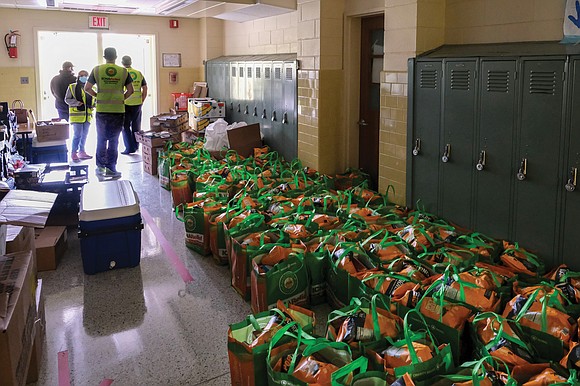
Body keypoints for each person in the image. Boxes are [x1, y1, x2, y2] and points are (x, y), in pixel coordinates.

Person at [84, 47, 133, 178]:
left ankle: (100, 168)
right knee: (114, 140)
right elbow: (131, 90)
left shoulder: (97, 70)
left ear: (104, 57)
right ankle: (111, 168)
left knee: (101, 139)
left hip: (102, 111)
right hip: (118, 111)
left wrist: (97, 96)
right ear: (116, 57)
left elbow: (87, 88)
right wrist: (121, 98)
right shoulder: (123, 71)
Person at [120, 55, 148, 155]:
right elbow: (145, 87)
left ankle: (129, 148)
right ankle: (136, 146)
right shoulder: (138, 73)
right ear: (131, 62)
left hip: (125, 103)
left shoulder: (122, 73)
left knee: (125, 126)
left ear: (122, 63)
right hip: (137, 103)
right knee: (136, 126)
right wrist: (142, 99)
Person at [65, 70, 94, 161]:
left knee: (84, 135)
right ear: (78, 76)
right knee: (77, 135)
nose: (84, 77)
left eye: (85, 75)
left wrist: (93, 105)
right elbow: (67, 99)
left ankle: (82, 151)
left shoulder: (92, 88)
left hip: (87, 115)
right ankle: (74, 152)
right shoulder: (72, 87)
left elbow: (94, 99)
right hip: (76, 115)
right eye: (82, 75)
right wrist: (77, 103)